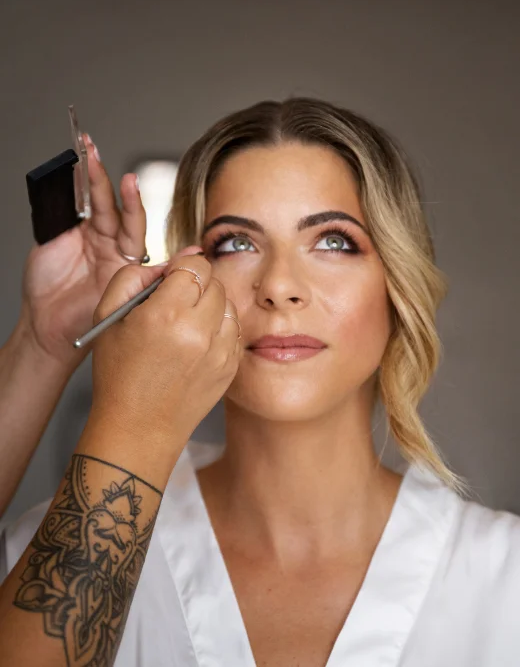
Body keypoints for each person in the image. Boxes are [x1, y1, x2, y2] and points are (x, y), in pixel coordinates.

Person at [0, 97, 519, 667]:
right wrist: (43, 342)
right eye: (237, 243)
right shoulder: (40, 550)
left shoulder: (505, 575)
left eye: (334, 241)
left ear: (398, 286)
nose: (278, 286)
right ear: (186, 276)